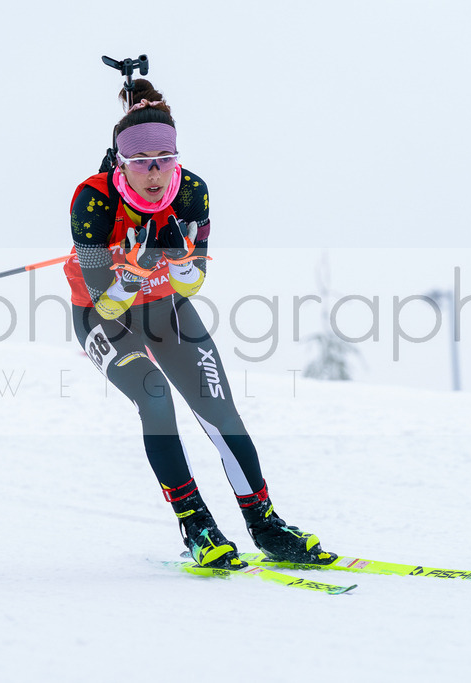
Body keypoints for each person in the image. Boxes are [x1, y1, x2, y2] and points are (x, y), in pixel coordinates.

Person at [64, 79, 335, 570]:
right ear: (120, 163)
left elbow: (194, 284)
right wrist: (138, 268)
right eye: (141, 162)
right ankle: (197, 525)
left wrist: (179, 261)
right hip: (102, 317)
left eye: (164, 159)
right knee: (155, 396)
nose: (154, 173)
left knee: (219, 409)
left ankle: (266, 525)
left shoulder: (191, 191)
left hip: (166, 308)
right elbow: (104, 305)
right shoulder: (92, 202)